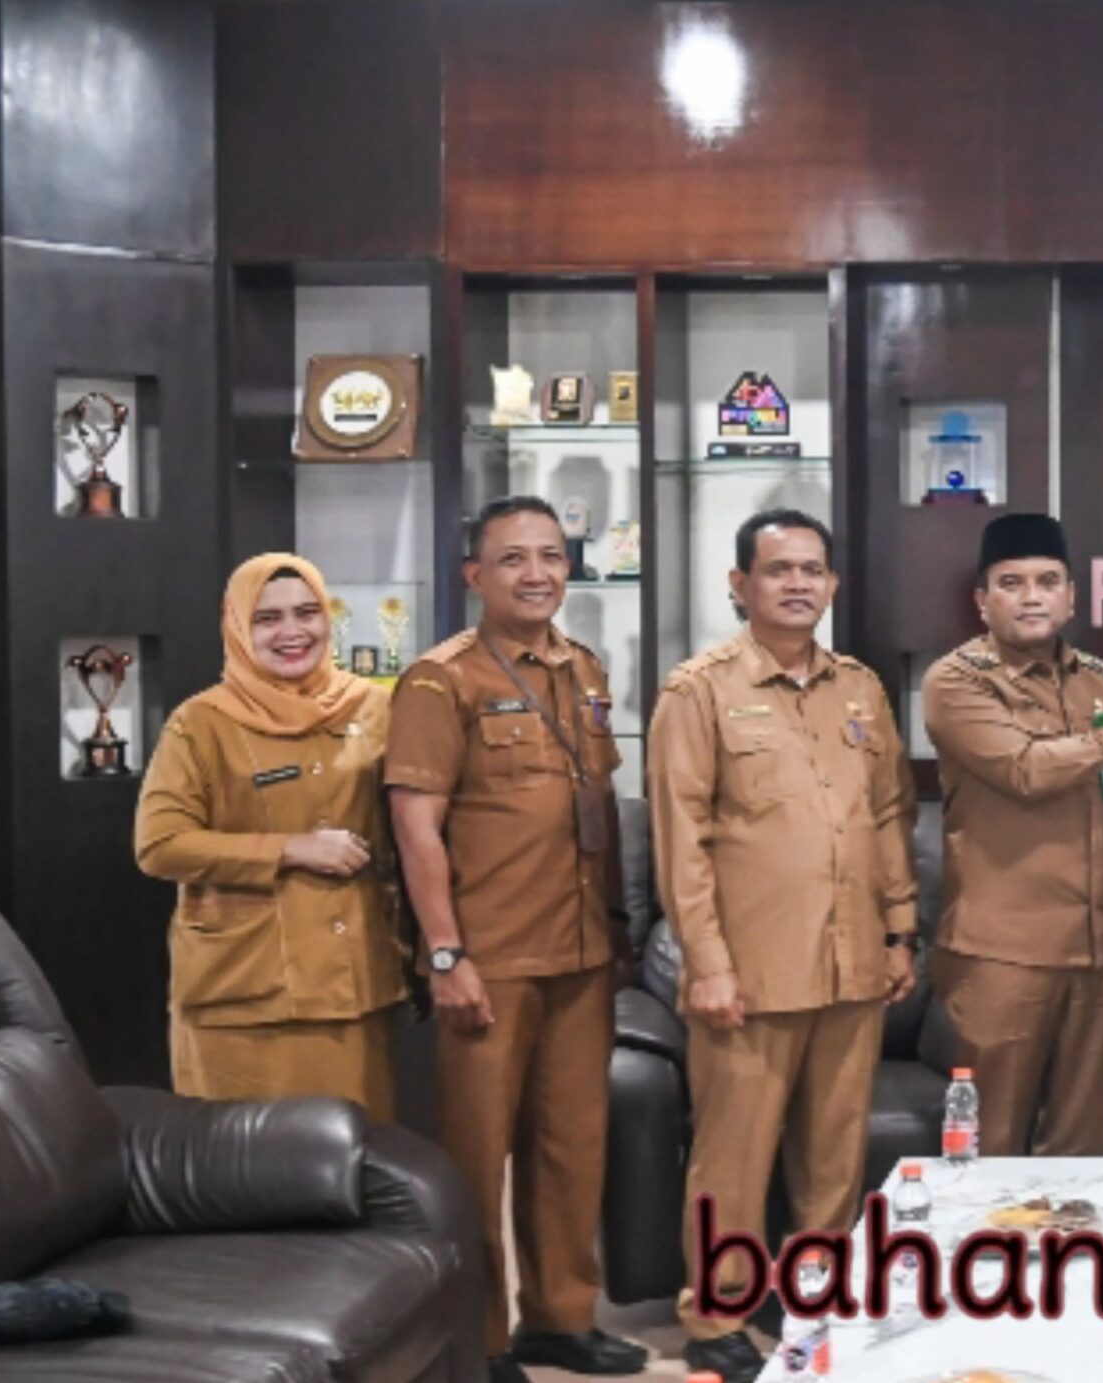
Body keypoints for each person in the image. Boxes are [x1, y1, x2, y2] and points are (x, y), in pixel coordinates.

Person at [649, 510, 921, 1383]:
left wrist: (899, 929)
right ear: (741, 585)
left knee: (834, 1156)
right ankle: (716, 1316)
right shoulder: (698, 691)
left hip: (852, 961)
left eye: (812, 569)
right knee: (731, 1159)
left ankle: (817, 1294)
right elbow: (681, 840)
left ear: (832, 583)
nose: (798, 583)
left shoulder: (861, 689)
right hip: (751, 973)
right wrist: (708, 963)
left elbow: (889, 813)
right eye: (778, 569)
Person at [386, 497, 646, 1383]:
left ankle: (560, 1319)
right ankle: (480, 1338)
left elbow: (599, 807)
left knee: (573, 1147)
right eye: (512, 559)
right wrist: (446, 953)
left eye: (551, 556)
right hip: (488, 957)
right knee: (474, 1157)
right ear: (474, 575)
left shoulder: (585, 668)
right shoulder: (440, 680)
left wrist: (617, 929)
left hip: (579, 953)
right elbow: (416, 828)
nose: (536, 574)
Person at [923, 513, 1103, 1160]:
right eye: (1011, 583)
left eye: (1047, 581)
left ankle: (1069, 1234)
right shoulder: (957, 681)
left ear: (1071, 597)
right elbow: (1026, 770)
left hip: (1098, 948)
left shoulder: (1096, 679)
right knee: (991, 1145)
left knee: (1080, 1145)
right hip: (1003, 952)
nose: (1031, 596)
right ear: (983, 601)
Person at [135, 553, 403, 1120]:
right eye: (267, 618)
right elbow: (159, 844)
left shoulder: (375, 708)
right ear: (236, 627)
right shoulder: (200, 723)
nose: (292, 631)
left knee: (351, 1155)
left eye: (307, 613)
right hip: (241, 993)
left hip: (351, 983)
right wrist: (288, 848)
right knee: (240, 1162)